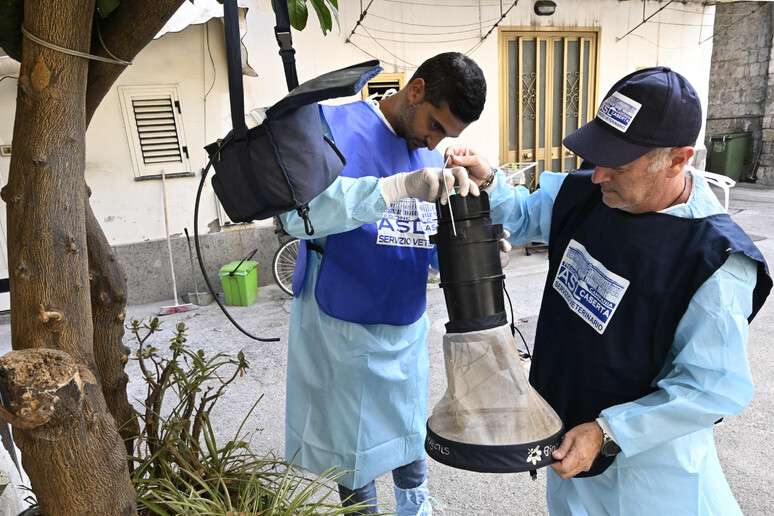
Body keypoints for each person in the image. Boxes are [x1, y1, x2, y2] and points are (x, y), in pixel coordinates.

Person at [446, 67, 771, 515]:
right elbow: (525, 215)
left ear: (678, 160)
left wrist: (609, 432)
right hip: (567, 437)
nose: (598, 175)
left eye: (618, 165)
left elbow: (709, 388)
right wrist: (487, 180)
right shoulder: (589, 194)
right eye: (597, 156)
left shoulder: (713, 262)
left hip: (650, 474)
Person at [278, 52, 486, 515]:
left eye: (446, 136)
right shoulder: (332, 127)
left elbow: (427, 241)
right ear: (416, 90)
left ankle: (415, 508)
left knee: (408, 431)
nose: (433, 141)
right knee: (354, 449)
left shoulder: (429, 152)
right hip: (342, 320)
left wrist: (475, 249)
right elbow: (299, 216)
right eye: (434, 125)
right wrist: (397, 187)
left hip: (405, 321)